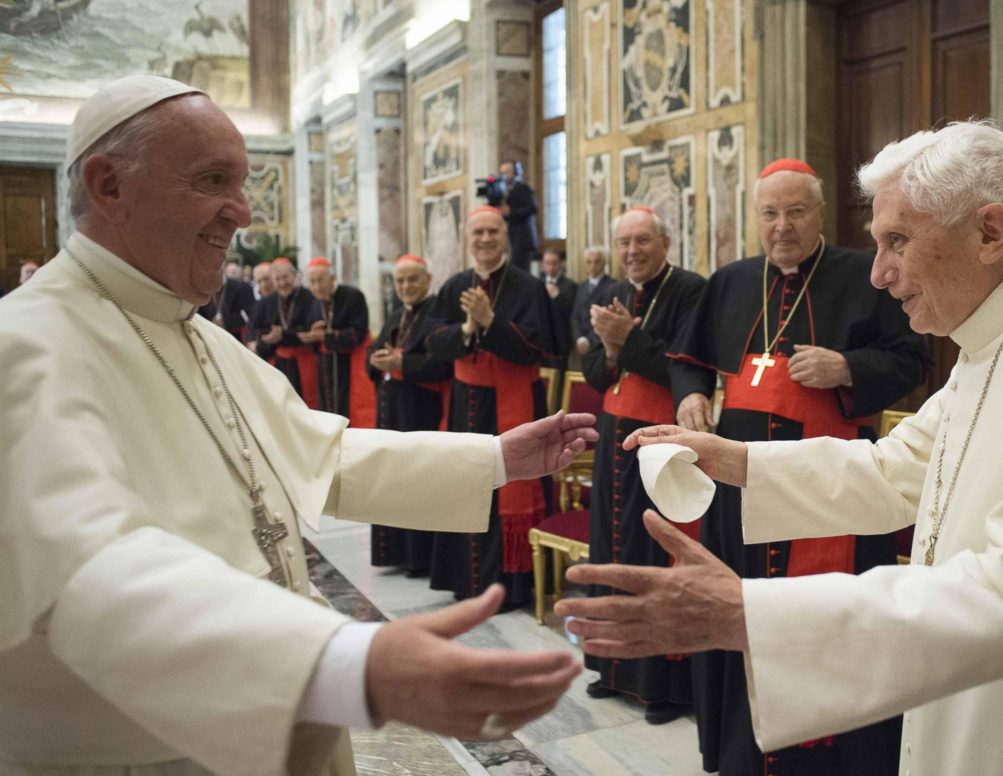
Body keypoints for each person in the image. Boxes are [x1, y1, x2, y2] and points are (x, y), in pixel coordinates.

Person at [557, 121, 1003, 776]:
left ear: (989, 232)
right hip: (988, 700)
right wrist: (732, 460)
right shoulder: (997, 335)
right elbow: (895, 469)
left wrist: (750, 613)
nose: (880, 273)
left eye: (898, 241)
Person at [0, 74, 597, 776]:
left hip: (284, 716)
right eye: (212, 180)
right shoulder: (26, 345)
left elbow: (318, 451)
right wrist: (350, 664)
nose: (242, 212)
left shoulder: (193, 330)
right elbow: (87, 569)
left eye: (244, 182)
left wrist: (494, 459)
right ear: (107, 186)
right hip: (162, 747)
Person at [668, 159, 926, 774]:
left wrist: (848, 368)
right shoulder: (730, 282)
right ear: (756, 217)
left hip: (831, 492)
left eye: (796, 211)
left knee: (826, 623)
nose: (782, 226)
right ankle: (742, 752)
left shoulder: (862, 278)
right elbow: (686, 357)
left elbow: (912, 359)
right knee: (746, 617)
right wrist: (692, 393)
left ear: (820, 213)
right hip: (741, 494)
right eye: (769, 213)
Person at [581, 206, 706, 724]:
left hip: (660, 440)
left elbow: (681, 366)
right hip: (614, 436)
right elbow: (590, 372)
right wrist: (609, 352)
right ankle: (611, 668)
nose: (632, 252)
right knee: (612, 548)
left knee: (654, 555)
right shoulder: (607, 290)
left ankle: (663, 687)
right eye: (624, 243)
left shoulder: (690, 291)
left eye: (643, 241)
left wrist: (624, 343)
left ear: (665, 242)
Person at [426, 205, 559, 609]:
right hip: (467, 403)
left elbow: (544, 347)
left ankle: (514, 585)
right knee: (466, 481)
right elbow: (432, 344)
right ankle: (466, 580)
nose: (485, 240)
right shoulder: (453, 287)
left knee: (511, 481)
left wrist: (492, 323)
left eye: (493, 233)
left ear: (505, 237)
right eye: (478, 233)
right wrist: (468, 328)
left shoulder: (528, 287)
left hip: (516, 401)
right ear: (468, 239)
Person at [365, 254, 452, 575]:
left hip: (421, 412)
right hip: (391, 412)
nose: (406, 286)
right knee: (394, 479)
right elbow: (372, 349)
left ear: (428, 281)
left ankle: (419, 558)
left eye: (413, 279)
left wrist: (403, 365)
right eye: (400, 281)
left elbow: (443, 362)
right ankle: (396, 552)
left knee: (418, 481)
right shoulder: (396, 314)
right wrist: (376, 361)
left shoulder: (438, 313)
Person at [300, 256, 373, 427]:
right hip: (324, 368)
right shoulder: (314, 302)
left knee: (348, 412)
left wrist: (327, 336)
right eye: (312, 282)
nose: (317, 286)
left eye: (321, 280)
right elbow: (311, 336)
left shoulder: (353, 296)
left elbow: (359, 332)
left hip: (348, 366)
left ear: (332, 278)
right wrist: (314, 335)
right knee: (326, 412)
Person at [249, 257, 320, 406]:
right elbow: (258, 331)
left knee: (307, 405)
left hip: (305, 363)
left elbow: (311, 329)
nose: (282, 283)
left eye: (285, 277)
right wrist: (266, 340)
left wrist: (284, 335)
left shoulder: (310, 297)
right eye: (277, 279)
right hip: (278, 364)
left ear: (294, 276)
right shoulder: (268, 302)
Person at [571, 246, 618, 357]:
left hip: (602, 345)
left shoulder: (613, 286)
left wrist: (589, 341)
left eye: (597, 262)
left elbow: (608, 317)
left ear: (604, 263)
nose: (593, 266)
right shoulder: (581, 286)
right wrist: (579, 338)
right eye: (589, 262)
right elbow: (575, 315)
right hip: (582, 345)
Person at [499, 160, 539, 273]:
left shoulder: (523, 187)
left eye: (508, 172)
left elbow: (532, 208)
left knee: (521, 271)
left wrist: (510, 212)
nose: (505, 176)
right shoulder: (506, 191)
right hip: (513, 238)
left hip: (524, 239)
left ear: (516, 173)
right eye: (502, 173)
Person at [540, 247, 576, 369]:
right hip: (541, 340)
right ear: (543, 265)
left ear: (560, 264)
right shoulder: (536, 284)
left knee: (560, 377)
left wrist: (557, 296)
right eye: (547, 263)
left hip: (561, 340)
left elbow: (571, 312)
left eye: (554, 263)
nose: (551, 267)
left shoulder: (570, 285)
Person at [198, 267, 256, 342]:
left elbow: (250, 313)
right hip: (209, 337)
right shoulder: (202, 289)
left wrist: (225, 321)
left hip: (235, 338)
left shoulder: (242, 287)